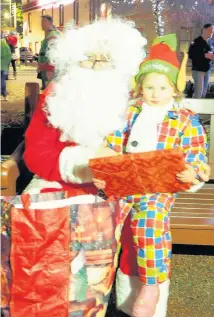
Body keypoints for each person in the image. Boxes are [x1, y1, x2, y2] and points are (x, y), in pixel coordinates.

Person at [93, 34, 209, 317]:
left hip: (158, 189)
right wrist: (103, 168)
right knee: (99, 224)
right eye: (149, 86)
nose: (155, 93)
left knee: (150, 222)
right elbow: (112, 143)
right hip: (123, 185)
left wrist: (191, 170)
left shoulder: (183, 119)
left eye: (162, 87)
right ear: (140, 87)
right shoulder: (129, 113)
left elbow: (195, 151)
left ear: (174, 88)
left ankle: (151, 285)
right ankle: (91, 288)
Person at [188, 23, 214, 98]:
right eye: (210, 30)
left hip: (208, 70)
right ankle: (193, 108)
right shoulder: (196, 42)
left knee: (204, 93)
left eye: (213, 31)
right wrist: (203, 56)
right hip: (198, 70)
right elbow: (191, 55)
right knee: (198, 92)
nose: (212, 32)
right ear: (204, 30)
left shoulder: (212, 43)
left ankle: (200, 108)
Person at [38, 15, 60, 90]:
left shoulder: (52, 35)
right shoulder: (49, 35)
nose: (41, 24)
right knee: (47, 90)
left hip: (49, 69)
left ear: (49, 22)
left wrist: (50, 68)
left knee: (50, 91)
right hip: (45, 68)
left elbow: (54, 53)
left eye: (43, 21)